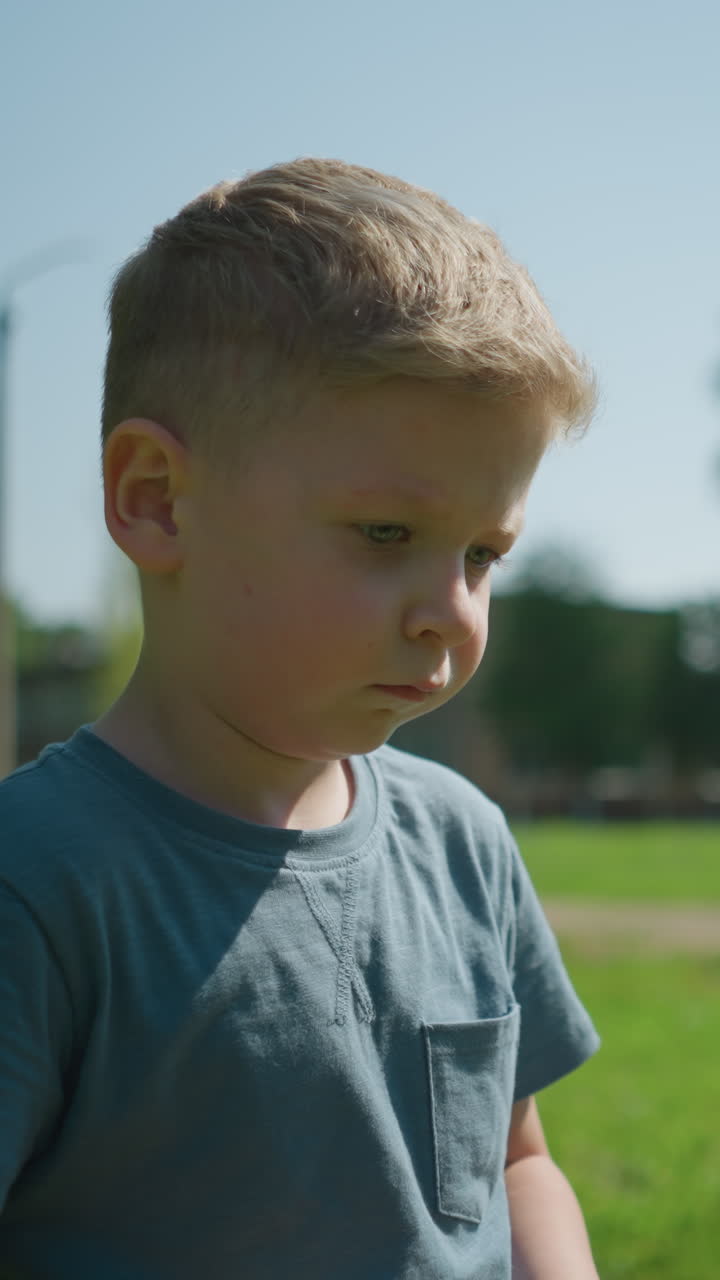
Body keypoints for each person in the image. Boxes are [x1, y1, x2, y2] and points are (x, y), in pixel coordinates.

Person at [0, 158, 601, 1279]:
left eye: (483, 554)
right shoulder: (38, 884)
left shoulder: (463, 839)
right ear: (154, 498)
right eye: (386, 534)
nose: (450, 611)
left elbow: (518, 1162)